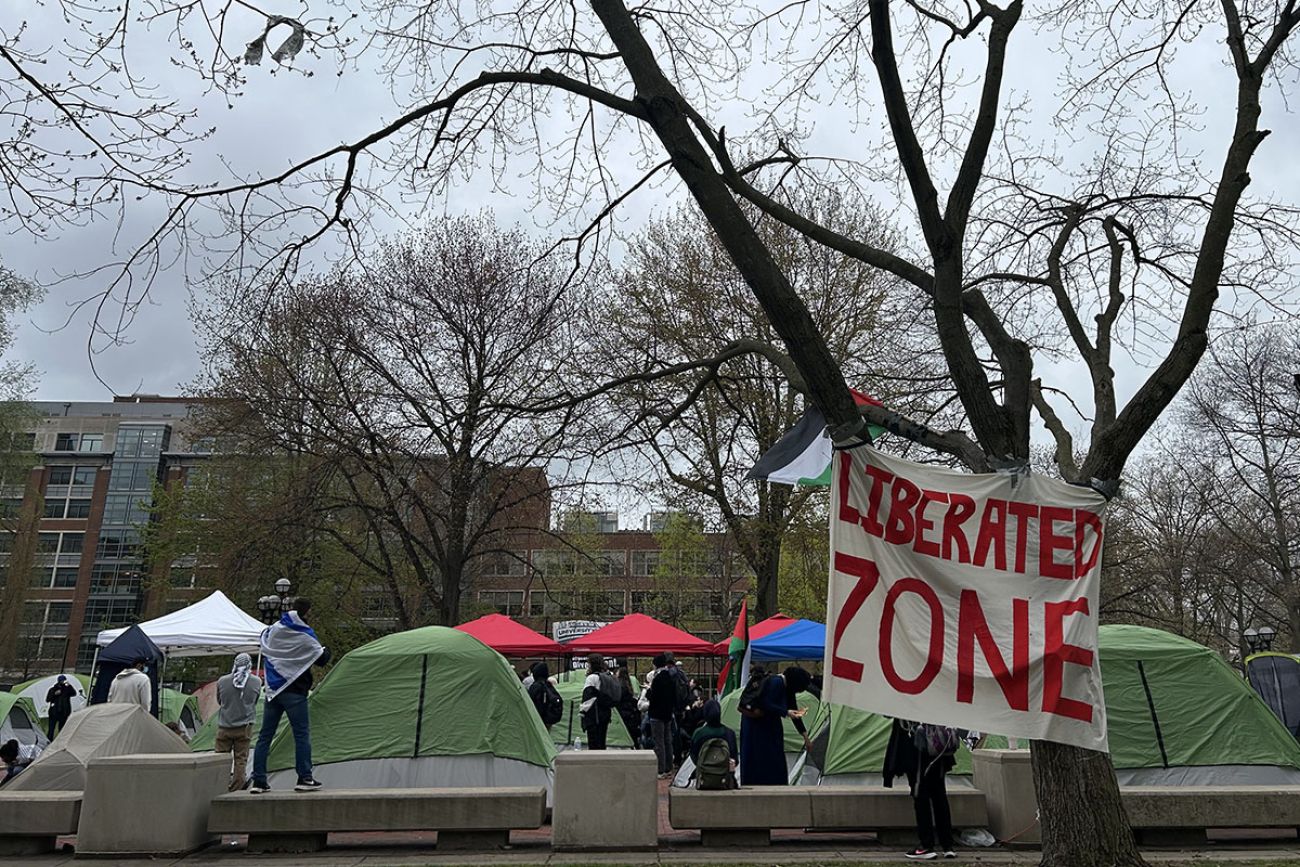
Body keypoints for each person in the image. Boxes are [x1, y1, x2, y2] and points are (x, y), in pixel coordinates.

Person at [250, 599, 331, 794]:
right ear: (307, 612)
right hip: (295, 689)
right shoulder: (303, 633)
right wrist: (326, 650)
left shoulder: (273, 631)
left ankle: (259, 781)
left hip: (273, 690)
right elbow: (321, 658)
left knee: (265, 736)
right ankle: (304, 777)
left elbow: (264, 643)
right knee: (301, 734)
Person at [883, 719, 957, 860]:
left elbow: (889, 712)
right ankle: (947, 845)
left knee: (921, 795)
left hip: (917, 746)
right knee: (939, 794)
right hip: (939, 742)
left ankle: (926, 845)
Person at [738, 665, 812, 786]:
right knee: (769, 761)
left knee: (761, 761)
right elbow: (765, 703)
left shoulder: (785, 685)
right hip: (760, 728)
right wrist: (785, 712)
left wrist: (805, 736)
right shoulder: (777, 683)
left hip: (761, 727)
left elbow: (794, 710)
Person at [215, 652, 262, 791]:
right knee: (241, 760)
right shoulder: (257, 681)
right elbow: (254, 700)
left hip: (224, 726)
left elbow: (219, 701)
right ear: (249, 665)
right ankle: (237, 788)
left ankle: (218, 786)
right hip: (244, 727)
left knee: (220, 760)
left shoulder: (222, 681)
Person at [645, 653, 677, 777]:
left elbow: (653, 697)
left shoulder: (657, 678)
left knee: (659, 742)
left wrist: (648, 690)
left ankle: (661, 769)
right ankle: (669, 768)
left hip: (656, 714)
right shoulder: (670, 676)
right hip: (668, 713)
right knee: (668, 741)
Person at [579, 653, 619, 750]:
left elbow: (587, 697)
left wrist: (582, 712)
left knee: (593, 744)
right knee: (602, 741)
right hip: (605, 714)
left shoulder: (592, 678)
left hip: (593, 715)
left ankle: (593, 764)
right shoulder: (609, 676)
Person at [689, 699, 738, 766]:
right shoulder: (730, 733)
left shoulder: (699, 733)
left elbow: (693, 755)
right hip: (724, 773)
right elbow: (735, 759)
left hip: (704, 772)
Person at [526, 662, 564, 731]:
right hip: (548, 718)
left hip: (538, 719)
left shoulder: (535, 686)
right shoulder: (548, 685)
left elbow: (530, 702)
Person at [614, 663, 642, 748]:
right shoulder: (629, 684)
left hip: (623, 712)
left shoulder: (620, 686)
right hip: (629, 712)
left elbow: (618, 698)